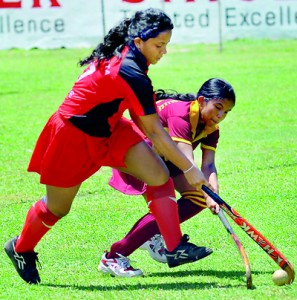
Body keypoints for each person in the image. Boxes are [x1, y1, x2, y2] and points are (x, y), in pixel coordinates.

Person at [4, 8, 213, 285]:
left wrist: (177, 159)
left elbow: (146, 121)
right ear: (138, 42)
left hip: (111, 128)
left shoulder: (134, 60)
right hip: (72, 137)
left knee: (158, 173)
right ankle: (20, 248)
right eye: (159, 45)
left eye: (166, 45)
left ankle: (173, 247)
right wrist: (189, 168)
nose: (164, 52)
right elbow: (155, 131)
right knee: (57, 209)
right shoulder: (129, 69)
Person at [98, 78, 236, 277]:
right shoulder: (182, 115)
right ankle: (113, 256)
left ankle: (151, 234)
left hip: (166, 161)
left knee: (197, 199)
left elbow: (208, 165)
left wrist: (214, 193)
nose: (221, 115)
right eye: (218, 107)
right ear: (202, 100)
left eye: (226, 112)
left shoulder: (211, 128)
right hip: (137, 157)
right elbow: (187, 162)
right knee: (167, 206)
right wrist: (208, 193)